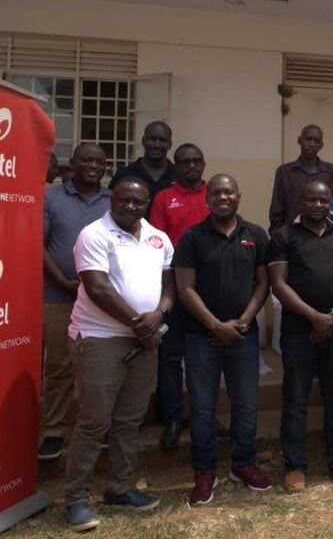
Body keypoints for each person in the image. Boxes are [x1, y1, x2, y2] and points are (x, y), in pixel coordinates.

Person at [63, 178, 174, 532]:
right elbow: (97, 287)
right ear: (112, 199)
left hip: (143, 342)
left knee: (129, 420)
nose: (130, 206)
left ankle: (119, 488)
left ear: (147, 203)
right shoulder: (94, 234)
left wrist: (161, 313)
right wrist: (141, 327)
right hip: (100, 338)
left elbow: (169, 285)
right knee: (94, 421)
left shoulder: (159, 238)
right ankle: (76, 499)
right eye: (124, 199)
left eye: (138, 201)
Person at [174, 174, 272, 505]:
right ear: (207, 199)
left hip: (244, 336)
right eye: (216, 193)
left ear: (238, 196)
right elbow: (185, 288)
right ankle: (204, 471)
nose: (223, 197)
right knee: (203, 408)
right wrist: (215, 326)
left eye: (229, 192)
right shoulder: (191, 237)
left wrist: (241, 323)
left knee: (245, 404)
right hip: (201, 337)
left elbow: (263, 283)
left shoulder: (255, 235)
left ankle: (243, 463)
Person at [267, 181, 333, 492]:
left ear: (330, 203)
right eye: (312, 200)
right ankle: (295, 465)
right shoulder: (284, 236)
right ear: (301, 202)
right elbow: (279, 284)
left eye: (324, 200)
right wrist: (314, 318)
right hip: (299, 332)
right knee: (296, 399)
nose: (319, 205)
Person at [38, 143, 112, 461]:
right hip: (60, 296)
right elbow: (39, 244)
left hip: (103, 301)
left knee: (100, 366)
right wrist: (63, 282)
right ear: (73, 163)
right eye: (87, 160)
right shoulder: (51, 198)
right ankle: (52, 430)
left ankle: (97, 425)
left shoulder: (114, 200)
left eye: (99, 161)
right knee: (59, 365)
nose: (93, 166)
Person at [149, 143, 210, 449]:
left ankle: (205, 416)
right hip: (173, 287)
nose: (191, 166)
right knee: (171, 357)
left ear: (203, 163)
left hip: (209, 289)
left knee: (205, 358)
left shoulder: (214, 193)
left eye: (196, 160)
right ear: (176, 165)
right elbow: (156, 242)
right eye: (185, 161)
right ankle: (172, 418)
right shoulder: (164, 198)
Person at [268, 124, 333, 235]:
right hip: (292, 236)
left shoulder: (331, 172)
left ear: (321, 145)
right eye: (308, 139)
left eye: (316, 141)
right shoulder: (284, 172)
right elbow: (277, 211)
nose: (312, 144)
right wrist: (281, 236)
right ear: (299, 141)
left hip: (324, 236)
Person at [109, 121, 178, 214]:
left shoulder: (179, 176)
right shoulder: (124, 174)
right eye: (152, 139)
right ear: (143, 141)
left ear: (170, 144)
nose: (157, 145)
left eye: (162, 140)